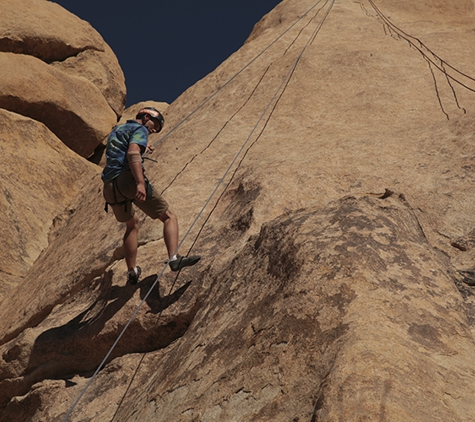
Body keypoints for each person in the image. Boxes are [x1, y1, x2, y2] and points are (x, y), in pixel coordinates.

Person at [102, 106, 201, 284]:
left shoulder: (118, 129)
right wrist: (140, 183)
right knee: (169, 216)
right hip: (128, 180)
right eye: (154, 124)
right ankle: (174, 258)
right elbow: (132, 153)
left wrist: (142, 146)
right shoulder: (140, 129)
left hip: (110, 187)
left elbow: (122, 149)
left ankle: (132, 271)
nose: (153, 130)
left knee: (132, 224)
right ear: (146, 116)